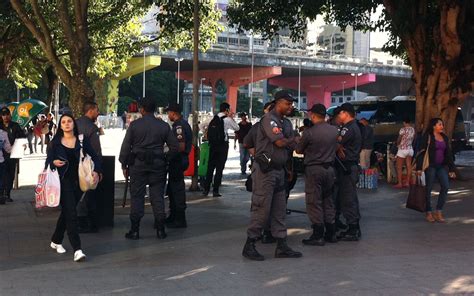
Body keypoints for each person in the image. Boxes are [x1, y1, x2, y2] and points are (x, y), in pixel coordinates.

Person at [242, 90, 302, 261]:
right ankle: (250, 244)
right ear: (278, 103)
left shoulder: (286, 123)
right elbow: (280, 142)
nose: (291, 107)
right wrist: (294, 139)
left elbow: (289, 147)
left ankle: (282, 245)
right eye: (288, 103)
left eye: (292, 104)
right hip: (265, 171)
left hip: (280, 170)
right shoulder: (270, 120)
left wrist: (289, 167)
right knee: (261, 208)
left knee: (279, 208)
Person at [119, 98, 179, 240]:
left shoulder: (134, 126)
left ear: (142, 109)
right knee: (157, 197)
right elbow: (175, 147)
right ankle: (160, 230)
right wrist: (165, 158)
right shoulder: (163, 126)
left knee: (137, 197)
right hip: (158, 165)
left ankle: (135, 230)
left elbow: (126, 147)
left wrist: (123, 164)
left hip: (138, 165)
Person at [46, 113, 101, 262]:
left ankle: (56, 240)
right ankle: (77, 249)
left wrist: (96, 171)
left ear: (73, 124)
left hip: (79, 182)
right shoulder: (55, 142)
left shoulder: (82, 140)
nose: (66, 124)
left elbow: (95, 157)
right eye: (63, 122)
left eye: (69, 121)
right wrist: (53, 163)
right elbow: (48, 162)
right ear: (60, 125)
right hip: (63, 182)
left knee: (67, 212)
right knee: (71, 214)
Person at [296, 104, 339, 245]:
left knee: (314, 202)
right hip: (330, 170)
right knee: (328, 200)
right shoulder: (334, 130)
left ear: (313, 115)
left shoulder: (309, 133)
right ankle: (331, 233)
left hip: (314, 169)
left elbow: (299, 150)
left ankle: (318, 234)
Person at [416, 118, 456, 223]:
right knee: (428, 189)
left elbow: (448, 154)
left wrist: (452, 169)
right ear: (434, 126)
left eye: (442, 124)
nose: (442, 126)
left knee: (446, 186)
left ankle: (438, 211)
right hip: (430, 166)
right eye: (439, 125)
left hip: (441, 166)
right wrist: (419, 168)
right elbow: (421, 152)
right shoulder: (428, 136)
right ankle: (429, 212)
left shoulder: (444, 137)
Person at [334, 103, 362, 241]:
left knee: (348, 198)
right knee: (348, 197)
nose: (339, 116)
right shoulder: (354, 126)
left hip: (347, 167)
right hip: (349, 166)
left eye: (340, 113)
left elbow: (337, 142)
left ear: (345, 113)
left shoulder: (348, 128)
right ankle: (353, 226)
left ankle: (353, 228)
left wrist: (338, 146)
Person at [202, 102, 239, 197]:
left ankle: (206, 190)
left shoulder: (212, 118)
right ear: (226, 110)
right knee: (219, 168)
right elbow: (237, 128)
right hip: (222, 146)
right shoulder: (227, 119)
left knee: (210, 168)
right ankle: (215, 191)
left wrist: (205, 132)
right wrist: (231, 117)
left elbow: (201, 126)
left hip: (213, 146)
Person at [75, 101, 102, 233]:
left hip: (74, 164)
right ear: (90, 110)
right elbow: (96, 151)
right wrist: (98, 169)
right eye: (97, 110)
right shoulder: (91, 128)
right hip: (88, 166)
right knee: (89, 193)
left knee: (76, 193)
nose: (98, 113)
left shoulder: (74, 124)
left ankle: (78, 221)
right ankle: (90, 223)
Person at [165, 103, 192, 228]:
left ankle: (180, 218)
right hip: (178, 160)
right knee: (172, 188)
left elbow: (180, 146)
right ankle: (173, 215)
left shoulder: (179, 126)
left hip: (178, 160)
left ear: (174, 113)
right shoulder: (181, 124)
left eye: (168, 112)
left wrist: (167, 153)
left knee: (177, 189)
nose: (168, 115)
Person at [0, 107, 25, 202]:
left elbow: (22, 137)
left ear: (10, 115)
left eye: (7, 114)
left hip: (13, 154)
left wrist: (22, 145)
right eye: (3, 115)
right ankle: (2, 194)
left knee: (11, 174)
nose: (5, 117)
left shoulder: (15, 126)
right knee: (3, 175)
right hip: (2, 154)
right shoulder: (0, 127)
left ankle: (8, 193)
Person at [394, 117, 415, 188]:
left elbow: (399, 138)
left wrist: (397, 143)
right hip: (410, 149)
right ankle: (407, 182)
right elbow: (413, 138)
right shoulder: (412, 129)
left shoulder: (402, 129)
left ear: (404, 122)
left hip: (402, 149)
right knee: (409, 166)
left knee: (399, 167)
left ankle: (400, 183)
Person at [0, 129, 12, 205]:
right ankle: (1, 196)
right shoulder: (3, 133)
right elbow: (8, 149)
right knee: (1, 181)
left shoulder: (3, 133)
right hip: (1, 161)